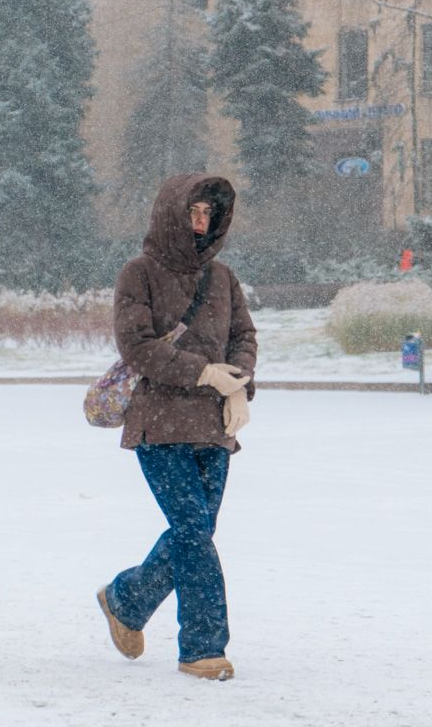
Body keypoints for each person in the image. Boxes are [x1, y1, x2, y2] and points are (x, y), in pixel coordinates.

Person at [96, 173, 257, 681]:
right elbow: (137, 346)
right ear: (172, 214)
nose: (201, 222)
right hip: (159, 425)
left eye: (208, 214)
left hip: (215, 427)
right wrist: (202, 372)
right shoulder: (137, 274)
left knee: (197, 532)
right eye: (193, 212)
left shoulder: (224, 277)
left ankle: (126, 599)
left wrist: (239, 388)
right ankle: (203, 647)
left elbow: (244, 336)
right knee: (192, 531)